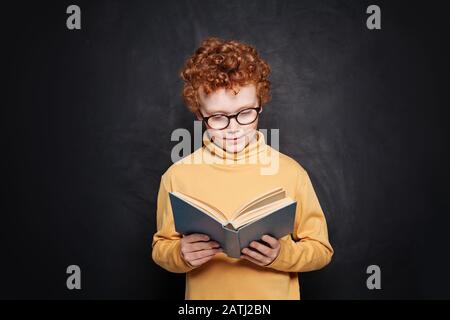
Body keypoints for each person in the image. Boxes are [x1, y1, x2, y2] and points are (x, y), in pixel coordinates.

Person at [152, 37, 333, 299]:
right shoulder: (177, 176)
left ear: (261, 103)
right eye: (217, 117)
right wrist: (180, 254)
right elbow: (161, 248)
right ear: (199, 114)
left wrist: (282, 255)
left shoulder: (291, 173)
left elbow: (321, 250)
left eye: (246, 112)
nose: (234, 128)